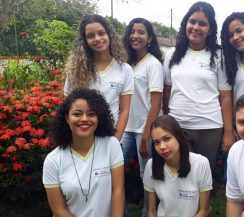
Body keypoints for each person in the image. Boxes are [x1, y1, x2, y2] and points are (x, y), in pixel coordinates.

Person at [163, 1, 234, 171]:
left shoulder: (219, 56)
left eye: (202, 24)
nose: (196, 27)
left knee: (203, 175)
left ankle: (203, 199)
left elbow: (225, 97)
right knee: (178, 172)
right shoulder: (171, 55)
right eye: (192, 21)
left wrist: (228, 132)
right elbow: (166, 91)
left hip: (209, 127)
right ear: (185, 24)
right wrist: (168, 119)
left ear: (210, 29)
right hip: (177, 126)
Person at [43, 88, 125, 217]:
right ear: (67, 118)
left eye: (91, 114)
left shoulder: (111, 145)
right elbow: (58, 210)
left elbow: (118, 190)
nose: (85, 119)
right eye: (77, 114)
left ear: (99, 118)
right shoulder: (53, 160)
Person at [64, 14, 134, 141]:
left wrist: (115, 141)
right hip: (80, 136)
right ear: (85, 40)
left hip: (109, 135)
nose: (97, 39)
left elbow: (124, 111)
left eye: (101, 33)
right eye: (90, 36)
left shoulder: (124, 69)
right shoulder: (76, 69)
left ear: (109, 35)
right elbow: (68, 105)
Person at [121, 17, 164, 217]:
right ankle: (119, 210)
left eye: (141, 32)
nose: (135, 36)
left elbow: (156, 103)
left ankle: (149, 213)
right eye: (132, 31)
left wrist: (147, 135)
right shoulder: (128, 64)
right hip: (126, 128)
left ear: (149, 38)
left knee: (146, 175)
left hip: (144, 129)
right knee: (114, 170)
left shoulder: (153, 64)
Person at [143, 115, 212, 217]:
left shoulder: (201, 163)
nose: (162, 147)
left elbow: (204, 210)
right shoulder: (151, 165)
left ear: (178, 137)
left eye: (167, 139)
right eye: (156, 142)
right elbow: (151, 212)